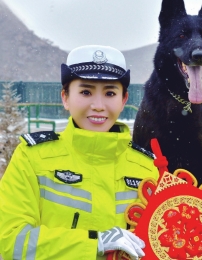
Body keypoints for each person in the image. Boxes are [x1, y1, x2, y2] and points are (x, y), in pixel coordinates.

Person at [0, 45, 159, 259]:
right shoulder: (32, 158)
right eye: (85, 92)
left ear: (123, 100)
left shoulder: (146, 168)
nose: (98, 106)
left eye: (110, 93)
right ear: (65, 97)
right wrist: (94, 243)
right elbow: (10, 240)